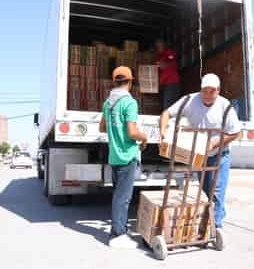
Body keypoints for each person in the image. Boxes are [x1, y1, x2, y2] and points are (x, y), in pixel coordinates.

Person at [159, 73, 241, 231]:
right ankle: (210, 219)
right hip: (199, 154)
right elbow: (166, 114)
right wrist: (163, 132)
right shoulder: (189, 100)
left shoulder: (225, 106)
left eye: (212, 91)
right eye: (205, 91)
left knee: (216, 190)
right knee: (204, 191)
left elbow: (235, 132)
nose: (208, 95)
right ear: (200, 89)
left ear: (218, 90)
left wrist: (214, 144)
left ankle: (215, 227)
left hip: (219, 154)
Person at [99, 66, 148, 248]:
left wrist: (114, 130)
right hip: (127, 156)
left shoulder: (108, 103)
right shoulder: (129, 102)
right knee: (123, 197)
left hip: (114, 156)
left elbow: (102, 128)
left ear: (114, 81)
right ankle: (117, 235)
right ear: (130, 81)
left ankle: (121, 229)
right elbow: (132, 132)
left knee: (119, 196)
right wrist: (145, 138)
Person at [154, 39, 181, 111]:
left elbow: (173, 62)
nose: (158, 48)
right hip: (163, 84)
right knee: (163, 105)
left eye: (160, 46)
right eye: (157, 46)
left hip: (171, 83)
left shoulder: (169, 53)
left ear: (164, 45)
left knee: (167, 105)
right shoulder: (158, 56)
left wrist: (164, 64)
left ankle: (167, 121)